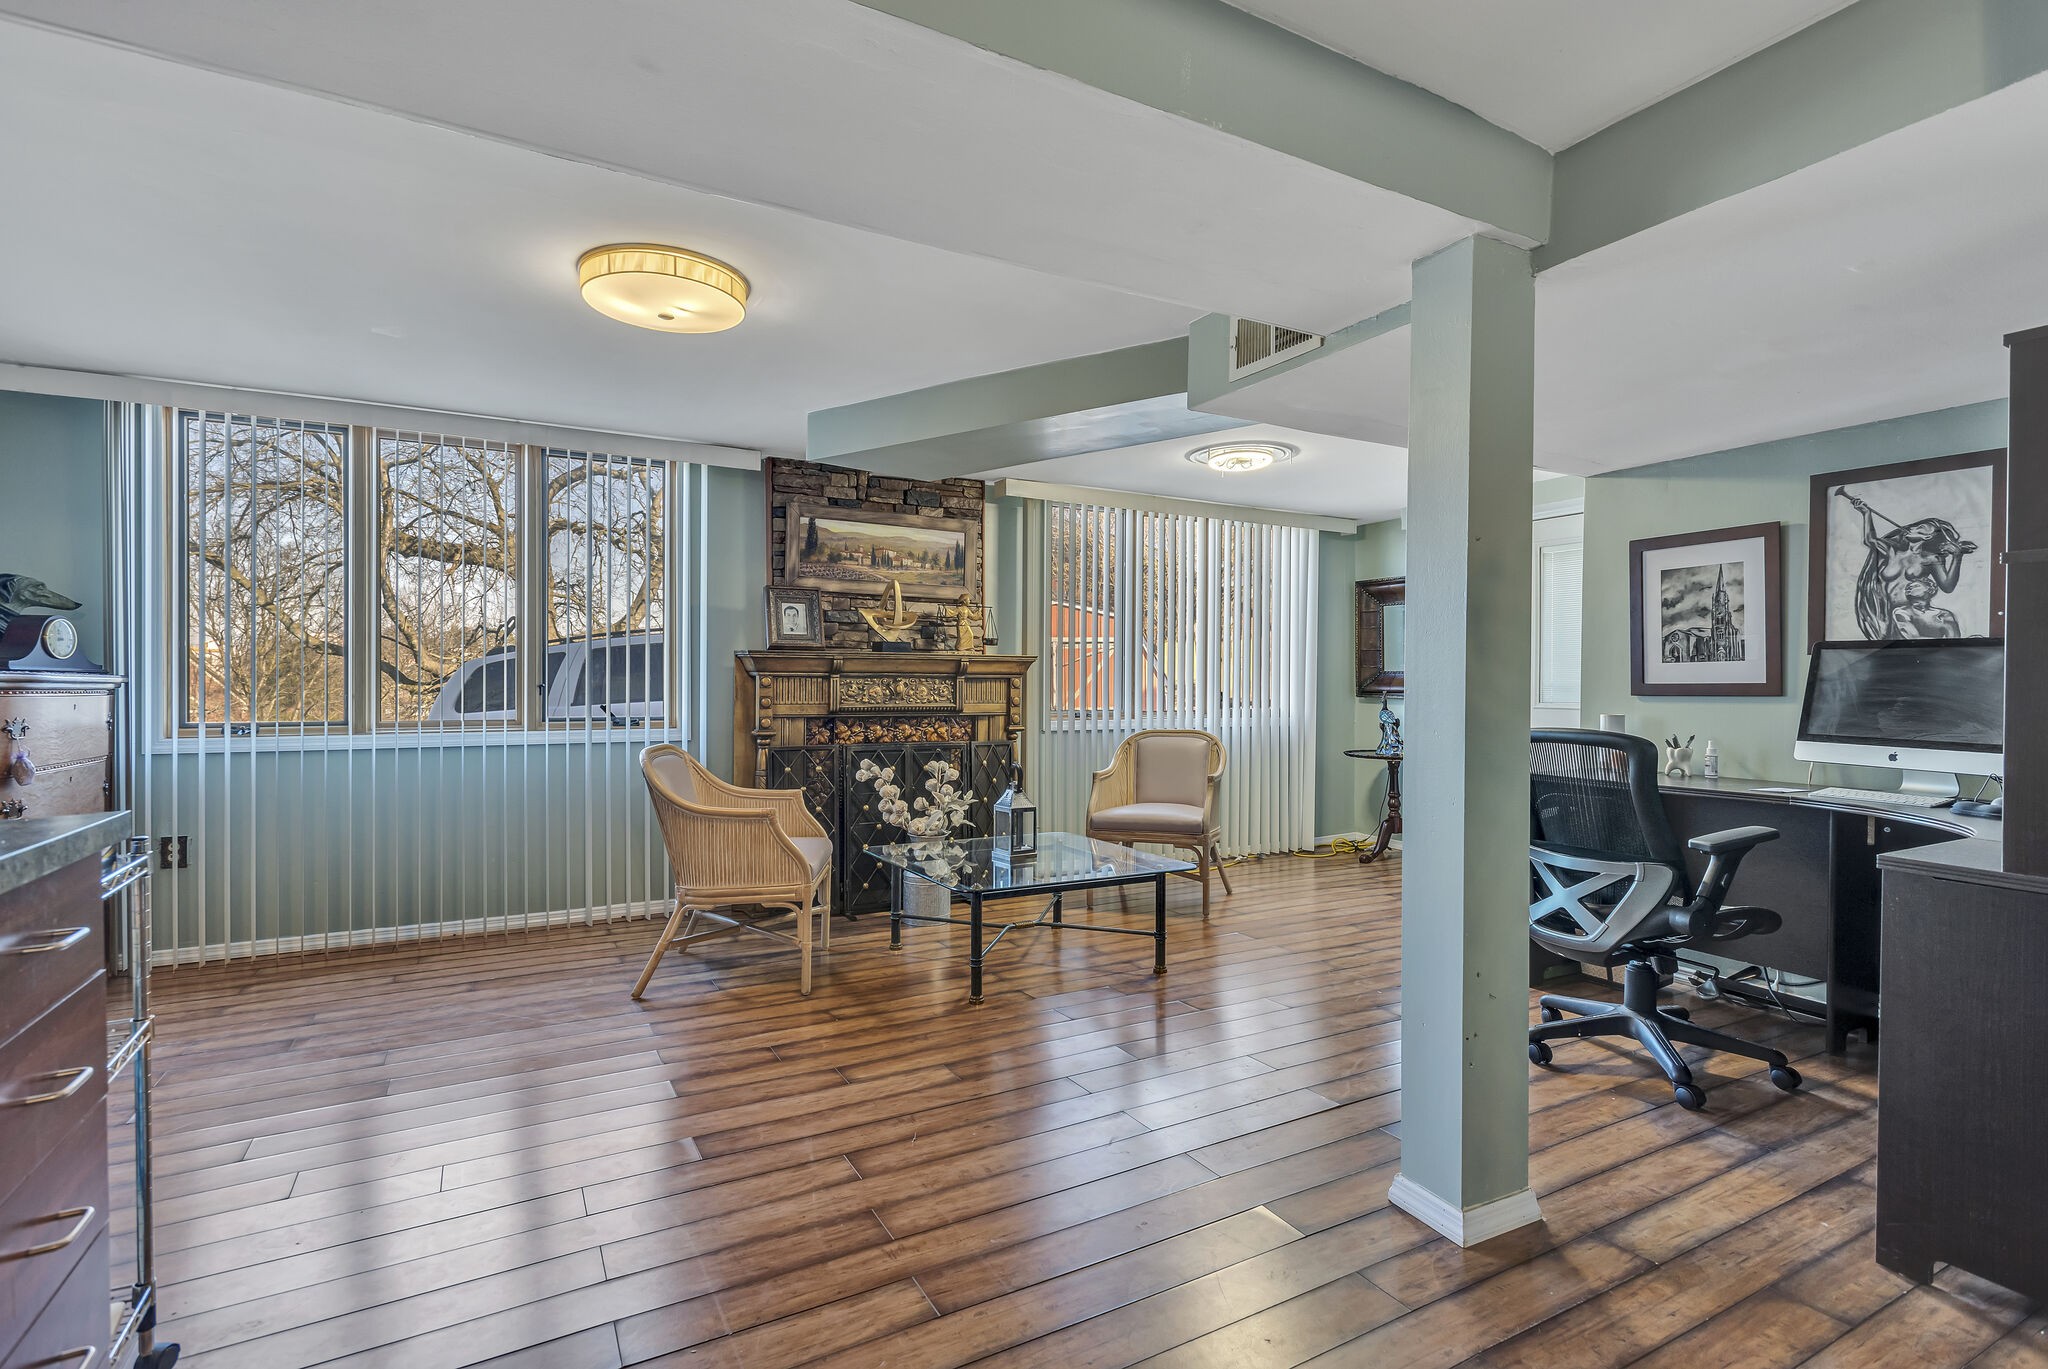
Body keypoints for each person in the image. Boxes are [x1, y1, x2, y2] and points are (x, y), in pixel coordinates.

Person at [1842, 491, 1974, 639]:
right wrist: (1866, 513)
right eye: (1915, 526)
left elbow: (1948, 586)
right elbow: (1870, 541)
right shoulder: (1891, 550)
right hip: (1880, 610)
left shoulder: (1931, 559)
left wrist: (1957, 556)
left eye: (1920, 529)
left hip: (1909, 613)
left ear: (1927, 537)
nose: (1912, 528)